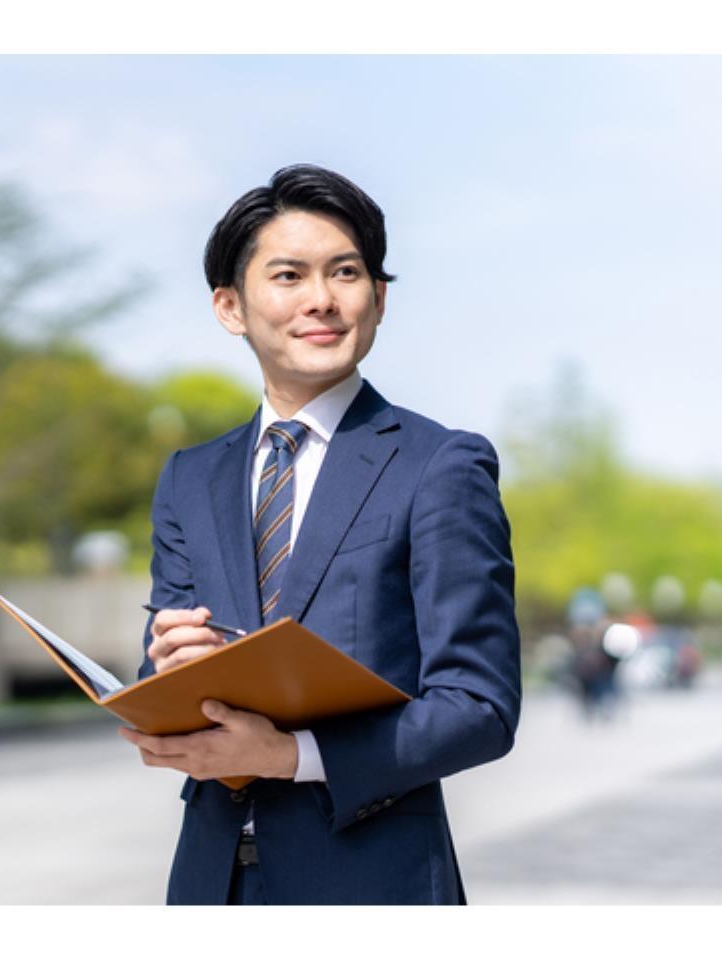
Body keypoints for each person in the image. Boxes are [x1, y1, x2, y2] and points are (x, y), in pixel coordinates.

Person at [118, 164, 522, 905]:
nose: (322, 300)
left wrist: (290, 756)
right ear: (230, 306)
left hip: (373, 881)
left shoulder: (440, 465)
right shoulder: (189, 478)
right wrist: (167, 674)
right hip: (211, 884)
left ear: (379, 299)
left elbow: (481, 707)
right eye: (288, 275)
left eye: (345, 272)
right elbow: (165, 681)